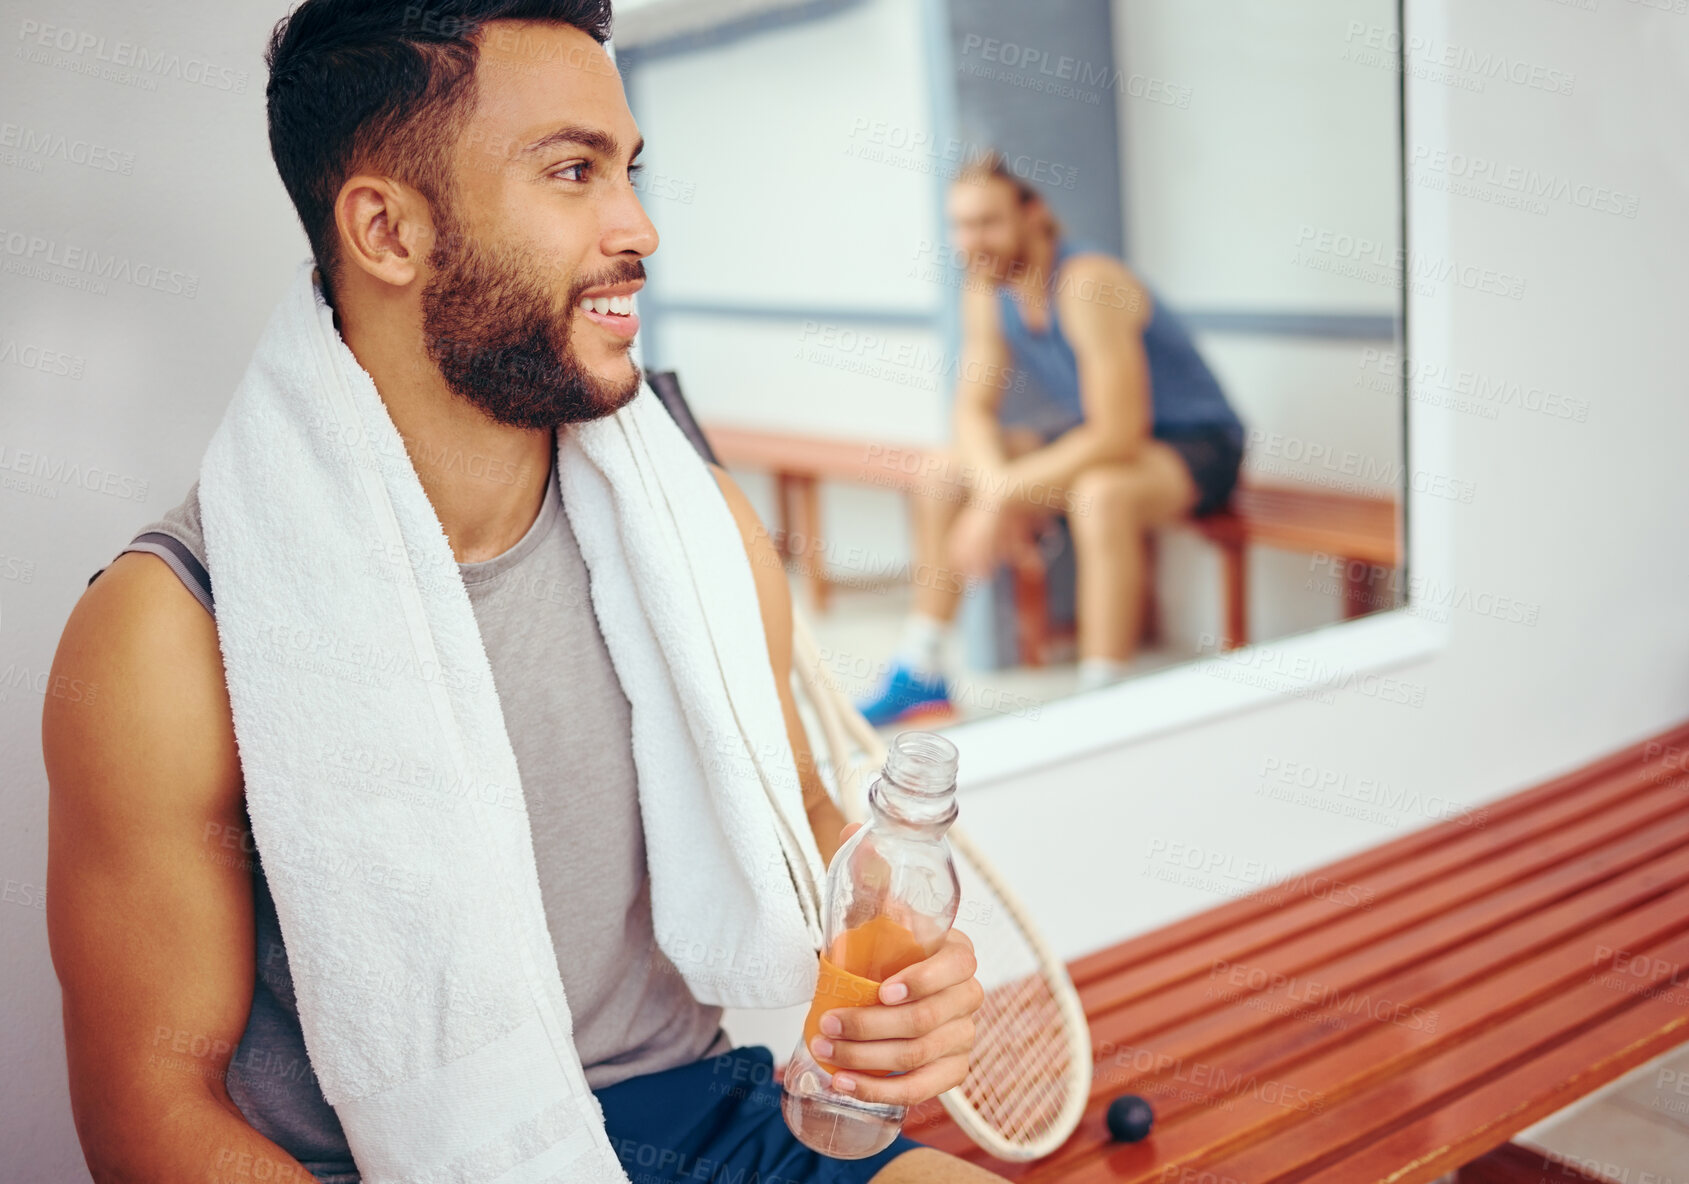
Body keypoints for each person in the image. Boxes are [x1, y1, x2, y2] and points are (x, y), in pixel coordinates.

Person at [42, 5, 999, 1182]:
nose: (638, 226)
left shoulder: (697, 524)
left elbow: (797, 816)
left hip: (701, 1121)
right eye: (571, 171)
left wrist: (904, 978)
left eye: (627, 169)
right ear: (388, 229)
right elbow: (148, 1110)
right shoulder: (168, 635)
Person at [857, 151, 1246, 725]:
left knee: (1101, 494)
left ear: (1033, 214)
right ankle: (923, 668)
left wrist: (1000, 497)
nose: (972, 241)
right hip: (1097, 439)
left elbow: (1119, 433)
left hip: (1196, 443)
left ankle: (1103, 700)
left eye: (987, 222)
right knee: (943, 472)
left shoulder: (1087, 282)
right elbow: (971, 409)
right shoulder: (986, 287)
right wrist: (995, 485)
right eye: (960, 225)